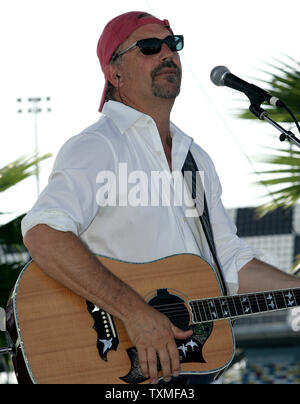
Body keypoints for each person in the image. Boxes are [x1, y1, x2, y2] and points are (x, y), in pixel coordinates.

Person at [21, 11, 300, 385]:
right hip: (117, 365)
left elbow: (230, 261)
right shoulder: (98, 146)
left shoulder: (195, 158)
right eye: (149, 47)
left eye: (174, 44)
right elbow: (44, 233)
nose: (167, 53)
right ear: (114, 74)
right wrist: (135, 313)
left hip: (190, 364)